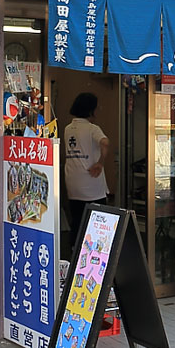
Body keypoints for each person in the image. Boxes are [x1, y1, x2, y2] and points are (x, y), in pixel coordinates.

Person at [64, 92, 109, 246]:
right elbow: (105, 142)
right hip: (92, 186)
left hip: (73, 185)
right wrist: (100, 162)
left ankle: (73, 254)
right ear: (91, 110)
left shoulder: (68, 128)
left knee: (77, 223)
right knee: (96, 227)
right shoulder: (92, 129)